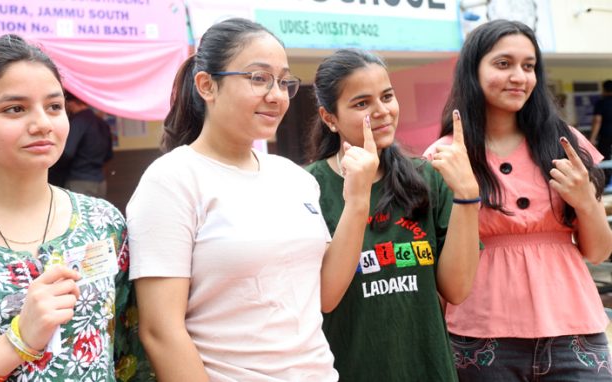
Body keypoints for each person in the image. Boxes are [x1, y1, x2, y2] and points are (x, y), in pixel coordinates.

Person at [127, 18, 378, 381]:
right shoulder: (171, 180)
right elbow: (160, 331)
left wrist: (357, 200)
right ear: (206, 85)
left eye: (283, 81)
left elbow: (324, 295)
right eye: (258, 78)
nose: (276, 95)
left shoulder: (294, 177)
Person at [0, 34, 151, 381]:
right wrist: (18, 341)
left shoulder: (103, 224)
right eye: (15, 108)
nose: (42, 123)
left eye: (54, 106)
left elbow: (131, 361)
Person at [425, 20, 612, 381]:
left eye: (529, 66)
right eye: (503, 64)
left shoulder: (563, 143)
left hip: (573, 333)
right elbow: (439, 265)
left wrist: (585, 202)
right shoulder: (445, 155)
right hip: (481, 337)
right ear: (472, 70)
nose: (519, 76)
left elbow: (599, 252)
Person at [306, 48, 481, 381]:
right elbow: (322, 298)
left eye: (387, 96)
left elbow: (457, 289)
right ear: (329, 118)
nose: (382, 111)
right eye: (362, 104)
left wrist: (467, 196)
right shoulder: (306, 186)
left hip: (429, 370)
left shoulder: (428, 178)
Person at [48, 91, 113, 198]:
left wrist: (52, 167)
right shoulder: (102, 123)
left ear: (70, 103)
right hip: (100, 182)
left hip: (79, 182)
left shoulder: (78, 121)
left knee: (78, 214)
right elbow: (109, 155)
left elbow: (67, 153)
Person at [591, 80, 612, 185]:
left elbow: (597, 121)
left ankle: (606, 182)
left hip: (606, 136)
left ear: (604, 89)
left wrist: (592, 138)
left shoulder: (601, 103)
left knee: (605, 159)